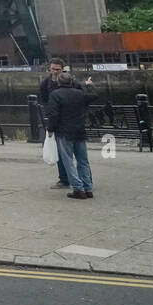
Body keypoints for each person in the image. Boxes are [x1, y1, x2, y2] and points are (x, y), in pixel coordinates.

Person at [38, 58, 93, 189]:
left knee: (73, 156)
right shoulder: (45, 84)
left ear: (63, 69)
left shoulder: (71, 82)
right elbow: (45, 101)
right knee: (66, 155)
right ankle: (67, 180)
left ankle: (81, 183)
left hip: (69, 121)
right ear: (49, 69)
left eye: (57, 69)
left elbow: (82, 95)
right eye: (52, 69)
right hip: (60, 121)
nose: (55, 72)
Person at [44, 71, 99, 199]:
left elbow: (53, 114)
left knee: (68, 160)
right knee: (83, 160)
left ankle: (78, 188)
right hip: (80, 130)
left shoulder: (55, 95)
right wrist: (90, 85)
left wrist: (50, 129)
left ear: (58, 82)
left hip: (64, 131)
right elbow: (94, 96)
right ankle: (88, 188)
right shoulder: (80, 94)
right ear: (71, 82)